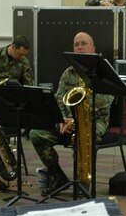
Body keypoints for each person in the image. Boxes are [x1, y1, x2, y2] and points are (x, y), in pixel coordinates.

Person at [28, 32, 113, 196]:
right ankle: (58, 176)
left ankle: (83, 182)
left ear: (93, 48)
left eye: (83, 43)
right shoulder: (68, 73)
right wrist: (61, 120)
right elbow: (59, 99)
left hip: (95, 121)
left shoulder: (103, 71)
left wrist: (75, 120)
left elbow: (105, 101)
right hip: (68, 121)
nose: (79, 47)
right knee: (37, 134)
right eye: (76, 44)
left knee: (85, 134)